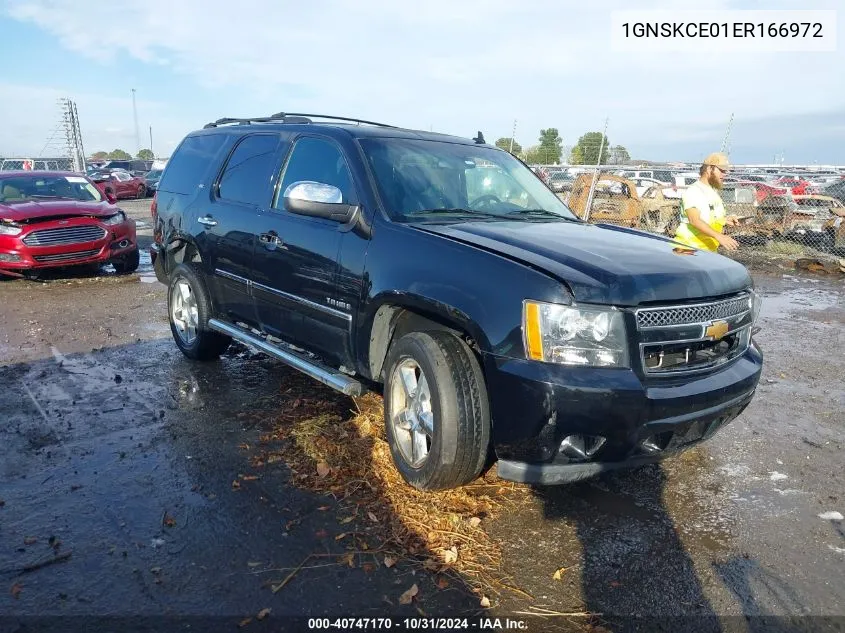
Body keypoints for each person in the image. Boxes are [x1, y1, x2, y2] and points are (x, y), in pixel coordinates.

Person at [673, 152, 739, 251]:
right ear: (709, 169)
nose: (724, 174)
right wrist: (719, 236)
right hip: (689, 249)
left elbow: (710, 217)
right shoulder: (694, 191)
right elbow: (694, 220)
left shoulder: (712, 192)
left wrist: (725, 220)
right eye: (721, 170)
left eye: (725, 171)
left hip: (707, 250)